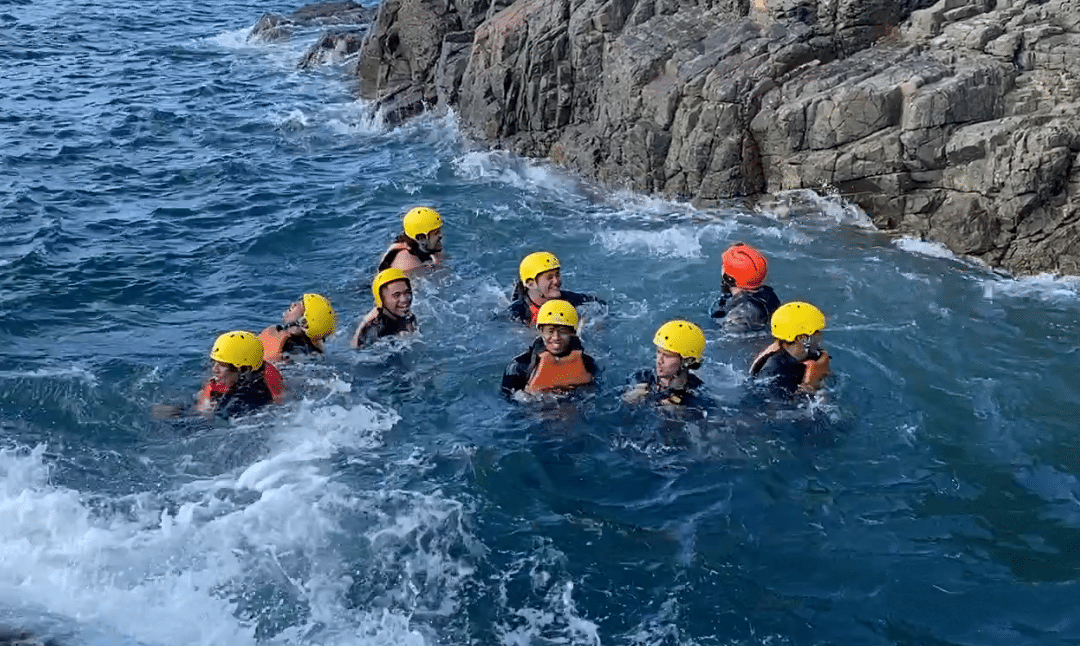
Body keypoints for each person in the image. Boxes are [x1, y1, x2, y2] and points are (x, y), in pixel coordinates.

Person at [153, 331, 285, 420]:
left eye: (222, 364)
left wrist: (177, 412)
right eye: (214, 362)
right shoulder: (255, 371)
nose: (214, 369)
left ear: (245, 369)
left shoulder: (245, 401)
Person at [501, 299, 599, 397]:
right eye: (550, 331)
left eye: (563, 331)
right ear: (541, 332)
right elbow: (508, 400)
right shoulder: (519, 367)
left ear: (572, 333)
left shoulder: (588, 364)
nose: (556, 338)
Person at [749, 301, 830, 397]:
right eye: (816, 332)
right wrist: (811, 384)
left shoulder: (808, 353)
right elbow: (779, 410)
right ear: (800, 338)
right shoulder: (776, 372)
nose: (820, 335)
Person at [623, 320, 708, 408]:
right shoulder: (641, 377)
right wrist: (630, 398)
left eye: (667, 356)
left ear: (688, 361)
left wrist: (676, 417)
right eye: (658, 352)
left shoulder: (696, 396)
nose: (659, 360)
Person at [504, 251, 603, 326]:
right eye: (549, 278)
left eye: (557, 275)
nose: (556, 281)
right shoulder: (517, 313)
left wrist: (593, 322)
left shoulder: (569, 299)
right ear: (531, 284)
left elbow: (599, 303)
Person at [710, 242, 781, 333]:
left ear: (729, 279)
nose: (722, 267)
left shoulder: (738, 316)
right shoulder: (769, 296)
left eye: (724, 266)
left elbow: (727, 343)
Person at [258, 293, 336, 362]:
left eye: (300, 304)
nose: (293, 304)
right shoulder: (312, 351)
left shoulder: (287, 350)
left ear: (305, 323)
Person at [352, 268, 417, 348]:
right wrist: (363, 325)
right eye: (396, 295)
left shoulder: (408, 317)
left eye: (407, 292)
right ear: (382, 300)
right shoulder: (377, 328)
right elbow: (356, 352)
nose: (404, 300)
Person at [377, 206, 444, 272]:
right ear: (421, 237)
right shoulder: (408, 265)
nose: (440, 235)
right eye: (436, 233)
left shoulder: (416, 245)